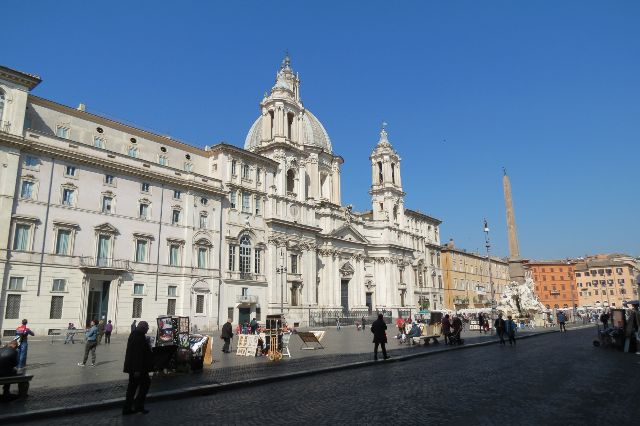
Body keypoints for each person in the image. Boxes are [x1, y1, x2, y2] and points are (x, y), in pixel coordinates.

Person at [122, 321, 154, 415]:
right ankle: (137, 406)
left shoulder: (137, 335)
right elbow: (137, 355)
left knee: (132, 388)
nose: (148, 329)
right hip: (138, 369)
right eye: (147, 327)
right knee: (143, 385)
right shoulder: (138, 337)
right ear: (142, 328)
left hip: (137, 368)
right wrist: (137, 369)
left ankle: (128, 408)